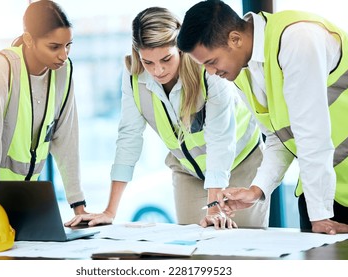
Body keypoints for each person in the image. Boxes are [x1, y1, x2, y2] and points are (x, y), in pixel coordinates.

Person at [66, 7, 269, 229]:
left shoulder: (208, 69)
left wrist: (214, 207)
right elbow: (129, 137)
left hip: (241, 163)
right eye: (148, 62)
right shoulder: (133, 75)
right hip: (188, 172)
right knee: (194, 249)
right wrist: (109, 211)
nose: (158, 71)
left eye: (166, 59)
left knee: (241, 244)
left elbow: (220, 141)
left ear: (180, 50)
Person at [177, 0, 348, 234]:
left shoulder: (297, 39)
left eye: (211, 62)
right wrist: (257, 190)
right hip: (327, 192)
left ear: (235, 39)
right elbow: (278, 136)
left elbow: (312, 136)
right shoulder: (241, 70)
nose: (211, 73)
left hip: (326, 201)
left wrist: (320, 215)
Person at [0, 0, 87, 220]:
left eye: (68, 45)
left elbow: (66, 139)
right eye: (54, 46)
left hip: (12, 202)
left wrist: (79, 207)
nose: (63, 55)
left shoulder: (63, 73)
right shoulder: (0, 68)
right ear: (29, 40)